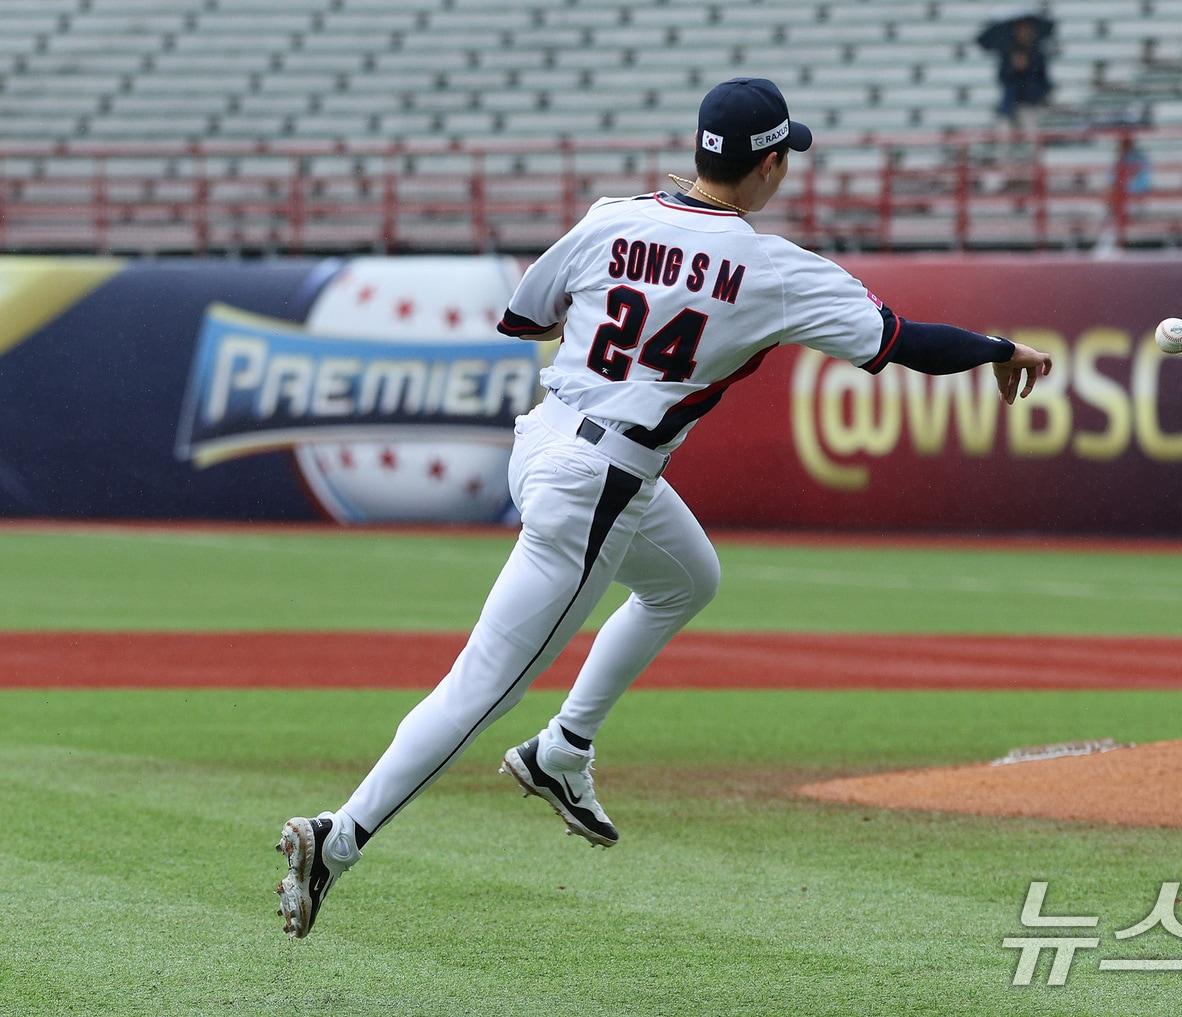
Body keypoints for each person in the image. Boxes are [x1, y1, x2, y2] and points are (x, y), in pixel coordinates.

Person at [273, 77, 1053, 939]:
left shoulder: (611, 217)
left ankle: (563, 749)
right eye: (785, 157)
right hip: (598, 481)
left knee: (688, 579)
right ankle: (338, 836)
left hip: (548, 442)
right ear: (768, 166)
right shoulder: (771, 267)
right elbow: (904, 341)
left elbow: (525, 317)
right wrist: (998, 348)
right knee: (483, 685)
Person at [977, 13, 1055, 135]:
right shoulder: (1008, 53)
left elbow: (1043, 80)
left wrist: (1028, 69)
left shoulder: (1038, 54)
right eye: (1021, 29)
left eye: (1027, 29)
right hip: (1010, 104)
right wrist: (1014, 68)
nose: (1024, 32)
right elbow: (1002, 78)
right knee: (1004, 133)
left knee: (1031, 134)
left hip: (1031, 103)